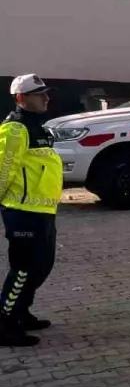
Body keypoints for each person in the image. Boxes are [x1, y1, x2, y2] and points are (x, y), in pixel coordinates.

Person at [1, 75, 64, 347]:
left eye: (46, 93)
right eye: (39, 94)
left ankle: (21, 312)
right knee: (23, 269)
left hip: (43, 211)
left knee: (42, 266)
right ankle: (3, 324)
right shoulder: (15, 129)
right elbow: (3, 170)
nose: (46, 98)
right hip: (22, 211)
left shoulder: (39, 127)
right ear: (21, 99)